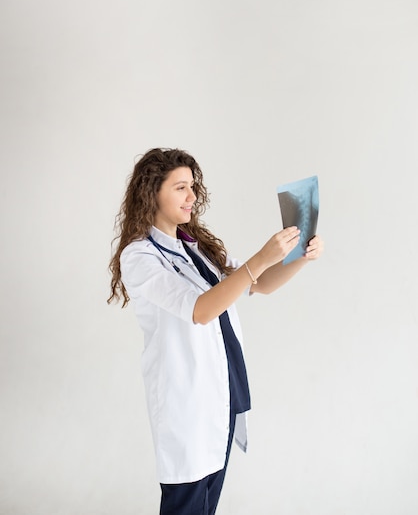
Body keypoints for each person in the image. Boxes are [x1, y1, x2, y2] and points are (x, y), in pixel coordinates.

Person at [107, 147, 324, 515]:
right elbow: (201, 309)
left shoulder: (196, 249)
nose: (192, 196)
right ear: (152, 192)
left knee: (205, 507)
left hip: (222, 396)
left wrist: (298, 257)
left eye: (192, 186)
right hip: (186, 404)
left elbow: (260, 284)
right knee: (187, 505)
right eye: (180, 188)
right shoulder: (139, 257)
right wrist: (260, 258)